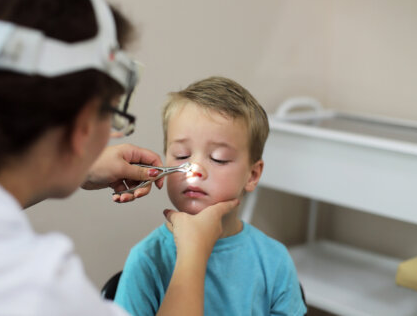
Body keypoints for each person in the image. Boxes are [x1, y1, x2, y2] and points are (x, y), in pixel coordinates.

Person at [0, 0, 238, 315]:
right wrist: (193, 254)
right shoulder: (35, 288)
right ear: (82, 127)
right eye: (111, 112)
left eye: (220, 157)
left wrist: (79, 169)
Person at [114, 77, 307, 316]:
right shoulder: (147, 260)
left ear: (252, 175)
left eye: (218, 158)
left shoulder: (274, 261)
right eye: (182, 155)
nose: (195, 169)